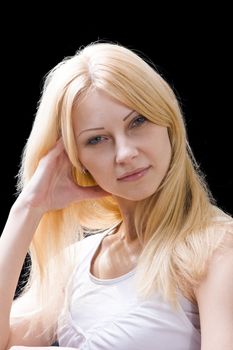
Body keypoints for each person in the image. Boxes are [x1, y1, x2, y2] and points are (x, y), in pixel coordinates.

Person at [0, 41, 232, 350]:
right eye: (97, 139)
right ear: (75, 158)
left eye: (138, 121)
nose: (125, 153)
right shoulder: (75, 262)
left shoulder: (217, 248)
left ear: (168, 122)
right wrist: (28, 208)